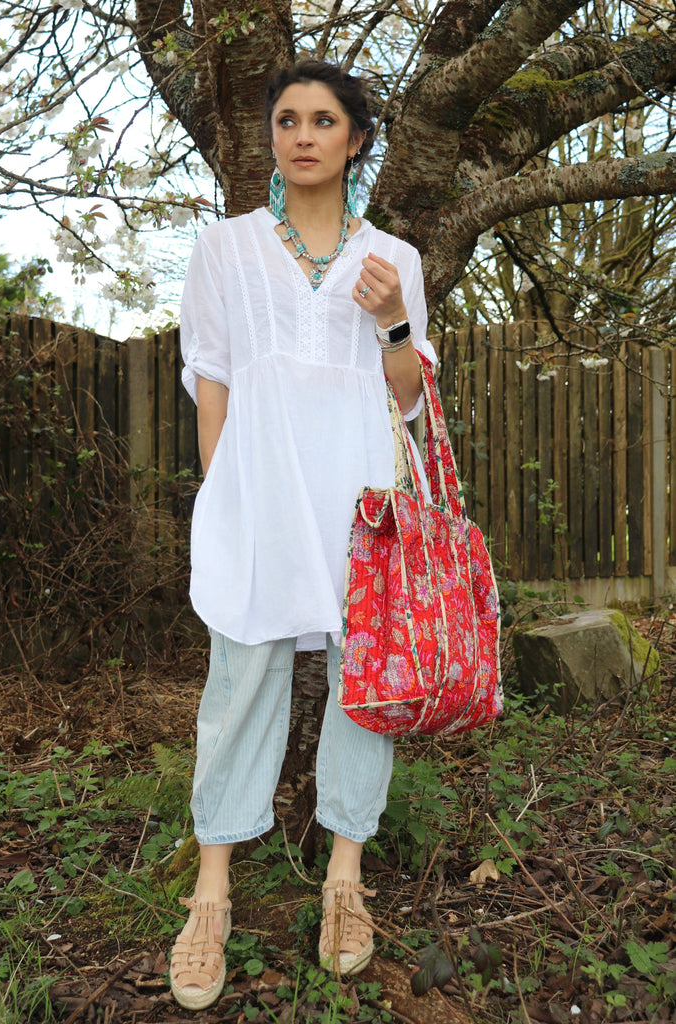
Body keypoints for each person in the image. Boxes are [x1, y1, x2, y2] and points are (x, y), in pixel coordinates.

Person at [171, 59, 437, 1011]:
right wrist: (223, 491)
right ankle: (211, 893)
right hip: (260, 499)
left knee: (365, 684)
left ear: (356, 140)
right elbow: (212, 377)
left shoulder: (393, 257)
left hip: (360, 502)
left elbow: (407, 399)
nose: (302, 136)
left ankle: (344, 878)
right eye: (287, 120)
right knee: (239, 684)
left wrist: (392, 320)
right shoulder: (226, 248)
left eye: (324, 120)